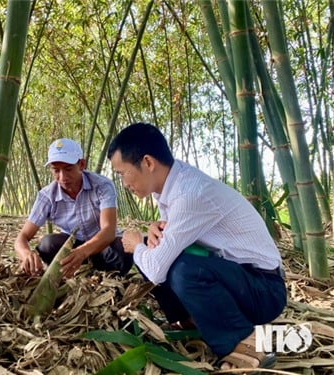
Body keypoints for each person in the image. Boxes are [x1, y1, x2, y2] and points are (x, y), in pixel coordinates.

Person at [107, 123, 287, 371]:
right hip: (239, 279)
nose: (123, 183)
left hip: (264, 290)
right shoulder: (169, 187)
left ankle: (243, 343)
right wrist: (151, 233)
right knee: (156, 246)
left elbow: (156, 270)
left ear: (147, 162)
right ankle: (194, 320)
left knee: (179, 268)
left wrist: (137, 245)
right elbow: (168, 237)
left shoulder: (190, 193)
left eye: (122, 173)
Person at [15, 138, 133, 279]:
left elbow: (108, 231)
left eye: (68, 169)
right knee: (47, 244)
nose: (63, 177)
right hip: (71, 245)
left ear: (81, 164)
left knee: (122, 248)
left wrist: (82, 252)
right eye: (56, 170)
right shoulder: (47, 196)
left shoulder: (102, 186)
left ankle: (108, 275)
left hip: (102, 245)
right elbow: (21, 237)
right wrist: (26, 254)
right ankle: (74, 269)